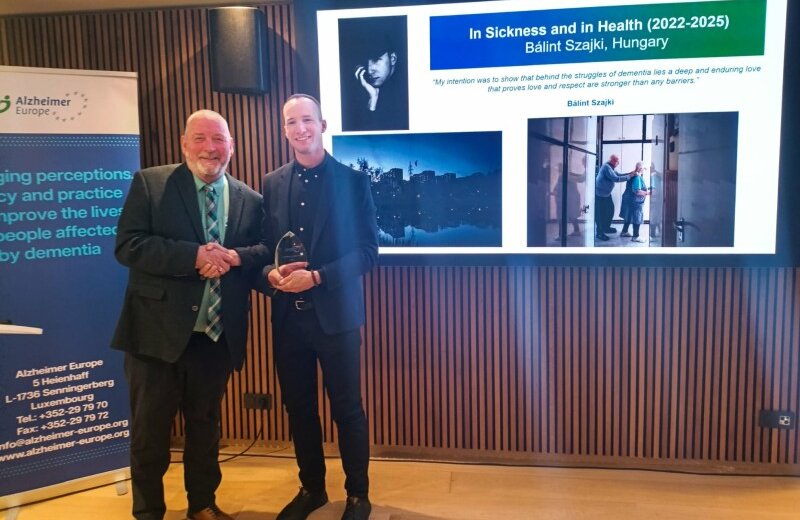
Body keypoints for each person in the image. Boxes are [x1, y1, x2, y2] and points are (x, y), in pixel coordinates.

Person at [112, 110, 269, 520]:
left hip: (215, 338)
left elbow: (261, 251)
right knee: (149, 436)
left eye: (218, 139)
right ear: (184, 143)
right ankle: (149, 513)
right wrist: (194, 256)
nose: (209, 148)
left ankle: (202, 505)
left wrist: (236, 258)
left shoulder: (250, 200)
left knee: (205, 430)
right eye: (200, 138)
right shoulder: (151, 184)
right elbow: (128, 246)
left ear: (232, 146)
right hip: (155, 338)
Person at [259, 94, 379, 520]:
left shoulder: (352, 181)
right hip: (288, 319)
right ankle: (312, 489)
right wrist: (270, 274)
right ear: (284, 130)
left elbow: (368, 252)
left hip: (337, 319)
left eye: (307, 120)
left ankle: (358, 495)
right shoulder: (272, 182)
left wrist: (318, 277)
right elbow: (265, 249)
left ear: (323, 125)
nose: (301, 129)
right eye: (292, 122)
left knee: (347, 409)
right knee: (299, 409)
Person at [340, 16, 409, 131]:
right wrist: (373, 100)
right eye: (366, 60)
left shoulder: (408, 90)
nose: (369, 70)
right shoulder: (359, 88)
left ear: (393, 59)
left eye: (376, 59)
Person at [594, 154, 640, 241]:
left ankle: (606, 228)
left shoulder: (611, 167)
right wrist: (630, 176)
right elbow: (616, 178)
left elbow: (619, 174)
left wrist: (631, 173)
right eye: (617, 161)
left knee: (610, 211)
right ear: (613, 161)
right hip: (600, 195)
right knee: (601, 214)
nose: (618, 163)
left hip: (606, 194)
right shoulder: (606, 167)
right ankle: (599, 233)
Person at [619, 161, 643, 237]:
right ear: (640, 168)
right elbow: (637, 191)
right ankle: (635, 236)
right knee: (635, 216)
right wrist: (647, 193)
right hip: (632, 198)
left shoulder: (632, 173)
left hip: (627, 196)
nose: (644, 170)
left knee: (628, 215)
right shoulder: (637, 176)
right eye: (643, 168)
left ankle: (624, 231)